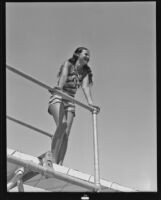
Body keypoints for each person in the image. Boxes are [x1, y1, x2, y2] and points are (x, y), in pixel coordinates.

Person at [47, 47, 100, 166]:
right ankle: (53, 160)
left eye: (89, 55)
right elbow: (64, 76)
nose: (88, 57)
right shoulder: (68, 64)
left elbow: (85, 87)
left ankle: (60, 164)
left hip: (70, 101)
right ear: (77, 54)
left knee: (66, 133)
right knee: (62, 124)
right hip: (59, 96)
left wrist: (91, 104)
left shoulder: (85, 72)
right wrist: (59, 89)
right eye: (85, 54)